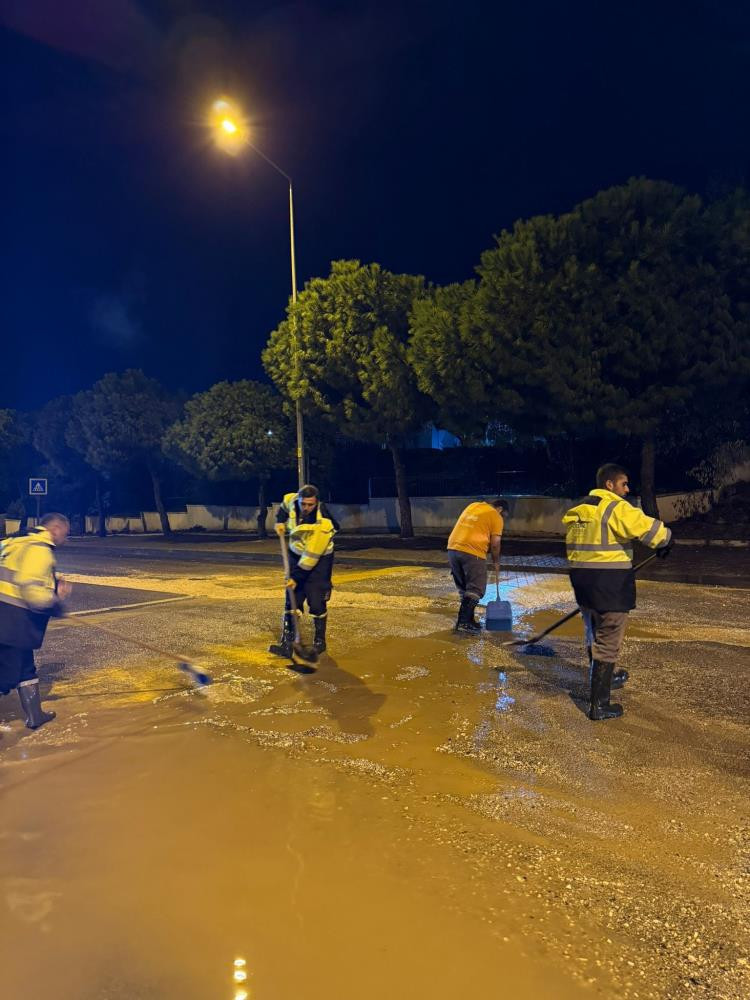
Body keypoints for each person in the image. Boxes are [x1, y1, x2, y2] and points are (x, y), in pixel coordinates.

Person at [562, 464, 673, 721]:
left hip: (582, 581)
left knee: (593, 629)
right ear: (609, 485)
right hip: (610, 583)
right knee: (610, 636)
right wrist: (667, 539)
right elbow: (650, 530)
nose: (627, 489)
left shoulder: (579, 510)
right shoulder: (615, 507)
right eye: (624, 484)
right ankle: (599, 705)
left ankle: (607, 677)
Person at [0, 512, 72, 730]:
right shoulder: (40, 550)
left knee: (25, 668)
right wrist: (56, 603)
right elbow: (30, 588)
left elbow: (17, 571)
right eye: (65, 533)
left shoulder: (14, 541)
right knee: (6, 675)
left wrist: (52, 581)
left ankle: (35, 715)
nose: (65, 539)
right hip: (13, 620)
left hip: (7, 616)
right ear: (56, 529)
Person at [271, 485, 339, 656]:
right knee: (292, 597)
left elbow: (310, 559)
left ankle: (319, 642)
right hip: (296, 553)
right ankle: (287, 643)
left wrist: (295, 577)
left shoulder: (322, 523)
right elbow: (284, 505)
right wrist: (280, 520)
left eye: (310, 505)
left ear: (316, 503)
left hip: (319, 559)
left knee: (315, 599)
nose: (306, 508)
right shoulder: (293, 500)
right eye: (304, 504)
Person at [447, 497, 509, 633]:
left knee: (465, 590)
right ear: (500, 509)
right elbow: (495, 543)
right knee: (476, 588)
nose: (503, 518)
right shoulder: (495, 516)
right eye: (504, 515)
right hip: (472, 551)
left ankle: (468, 621)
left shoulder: (473, 506)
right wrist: (496, 561)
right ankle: (463, 624)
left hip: (452, 549)